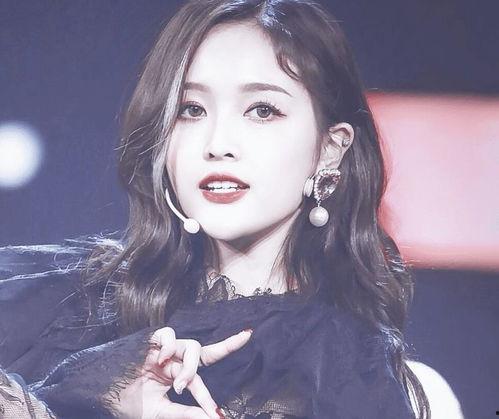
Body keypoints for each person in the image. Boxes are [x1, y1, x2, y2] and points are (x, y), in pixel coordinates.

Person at [0, 0, 464, 417]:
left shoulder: (369, 382)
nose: (218, 143)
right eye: (191, 109)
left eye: (262, 110)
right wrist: (82, 394)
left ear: (330, 148)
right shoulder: (67, 310)